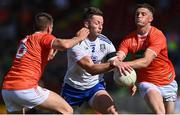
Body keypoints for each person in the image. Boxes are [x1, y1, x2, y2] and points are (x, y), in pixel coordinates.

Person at [1, 12, 89, 114]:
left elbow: (26, 61)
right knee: (67, 110)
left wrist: (46, 58)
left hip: (7, 90)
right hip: (25, 87)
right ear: (49, 28)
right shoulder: (44, 36)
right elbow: (63, 45)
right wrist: (79, 38)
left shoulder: (25, 40)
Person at [117, 3, 178, 114]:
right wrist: (130, 81)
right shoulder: (128, 40)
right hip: (147, 82)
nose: (139, 16)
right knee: (160, 113)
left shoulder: (157, 35)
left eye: (143, 14)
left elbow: (145, 61)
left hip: (167, 80)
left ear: (151, 18)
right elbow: (118, 58)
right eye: (137, 14)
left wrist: (124, 64)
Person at [61, 7, 118, 114]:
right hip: (73, 88)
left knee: (112, 112)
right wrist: (114, 64)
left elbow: (116, 62)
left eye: (102, 23)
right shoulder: (75, 43)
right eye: (97, 23)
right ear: (86, 24)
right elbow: (91, 69)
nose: (100, 27)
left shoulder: (106, 42)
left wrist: (129, 80)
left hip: (95, 87)